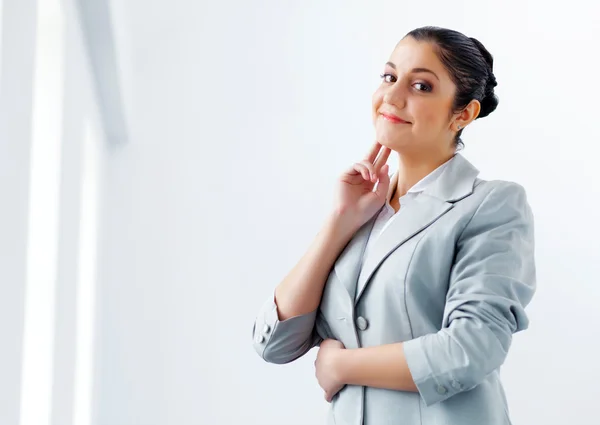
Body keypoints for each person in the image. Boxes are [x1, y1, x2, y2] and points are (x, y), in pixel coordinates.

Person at [251, 26, 536, 425]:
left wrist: (343, 367)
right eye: (389, 77)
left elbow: (473, 348)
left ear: (463, 113)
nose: (393, 95)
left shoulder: (490, 204)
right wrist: (338, 223)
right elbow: (274, 344)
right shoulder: (364, 208)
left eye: (421, 86)